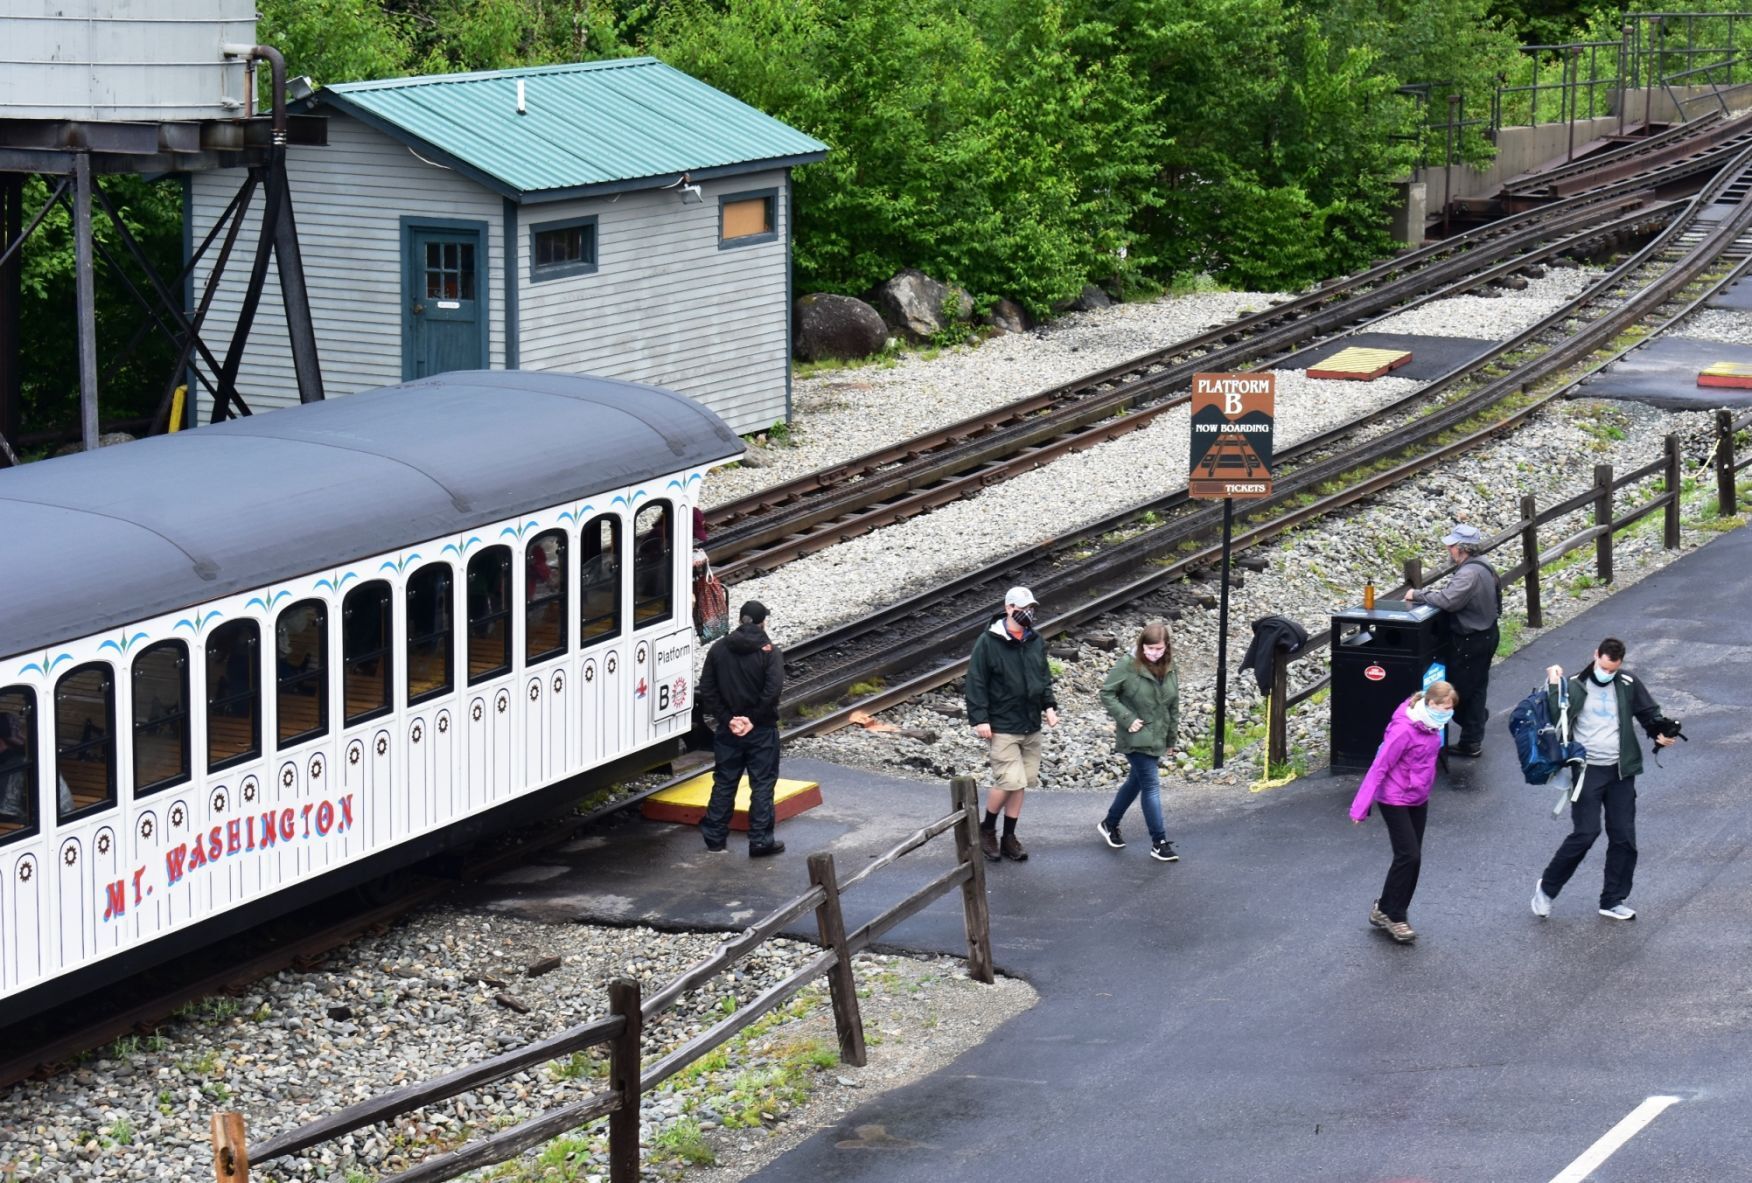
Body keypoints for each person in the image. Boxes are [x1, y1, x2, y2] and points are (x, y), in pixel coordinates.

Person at [1532, 638, 1675, 922]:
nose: (1606, 673)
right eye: (1603, 667)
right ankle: (1547, 889)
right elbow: (1553, 717)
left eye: (1612, 669)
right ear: (1595, 655)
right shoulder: (1573, 684)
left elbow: (1649, 713)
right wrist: (1552, 685)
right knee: (1586, 833)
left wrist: (1660, 731)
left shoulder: (1627, 682)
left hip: (1621, 770)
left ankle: (1612, 900)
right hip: (1587, 769)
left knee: (1624, 837)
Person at [1349, 680, 1458, 944]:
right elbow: (1379, 766)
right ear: (1430, 703)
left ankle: (1385, 908)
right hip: (1394, 798)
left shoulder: (1433, 725)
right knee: (1408, 855)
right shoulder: (1404, 730)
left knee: (1413, 858)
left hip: (1418, 797)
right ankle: (1396, 917)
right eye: (1444, 708)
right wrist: (1360, 807)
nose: (1447, 713)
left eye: (1450, 709)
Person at [965, 586, 1059, 863]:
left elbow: (1042, 676)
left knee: (1022, 783)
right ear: (1009, 609)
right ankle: (986, 828)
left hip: (1030, 723)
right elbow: (976, 682)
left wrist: (1049, 706)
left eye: (1032, 609)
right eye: (1022, 609)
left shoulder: (1035, 640)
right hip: (1003, 724)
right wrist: (980, 718)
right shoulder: (988, 642)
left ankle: (1009, 836)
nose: (1029, 614)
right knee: (1009, 781)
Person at [697, 599, 786, 857]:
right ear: (762, 622)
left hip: (729, 730)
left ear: (740, 620)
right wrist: (753, 720)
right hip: (761, 730)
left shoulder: (718, 649)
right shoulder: (770, 652)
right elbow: (772, 692)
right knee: (762, 784)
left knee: (725, 781)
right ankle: (760, 841)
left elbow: (708, 689)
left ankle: (714, 837)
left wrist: (728, 719)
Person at [1404, 523, 1499, 757]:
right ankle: (1472, 737)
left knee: (1458, 691)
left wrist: (1417, 595)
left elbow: (1449, 600)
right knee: (1476, 688)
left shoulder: (1468, 573)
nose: (1450, 550)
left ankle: (1473, 727)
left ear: (1461, 549)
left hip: (1471, 639)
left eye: (1452, 546)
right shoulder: (1484, 566)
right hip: (1486, 633)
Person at [1096, 621, 1181, 862]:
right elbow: (1107, 693)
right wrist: (1127, 718)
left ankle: (1109, 823)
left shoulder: (1170, 667)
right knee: (1151, 785)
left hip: (1157, 736)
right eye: (1149, 649)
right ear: (1141, 645)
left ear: (1167, 647)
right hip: (1135, 736)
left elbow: (1173, 704)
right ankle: (1159, 842)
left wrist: (1171, 739)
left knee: (1136, 782)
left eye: (1159, 649)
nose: (1154, 654)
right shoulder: (1127, 665)